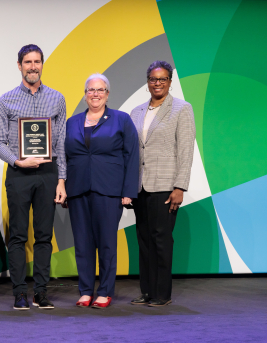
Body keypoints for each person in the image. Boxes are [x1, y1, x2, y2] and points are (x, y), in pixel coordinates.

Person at [0, 44, 67, 310]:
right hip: (19, 175)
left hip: (48, 173)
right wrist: (17, 160)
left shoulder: (57, 99)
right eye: (27, 62)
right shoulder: (6, 100)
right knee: (18, 236)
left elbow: (61, 143)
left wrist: (61, 179)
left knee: (45, 236)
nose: (32, 66)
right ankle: (20, 293)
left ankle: (42, 292)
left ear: (42, 65)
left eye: (37, 62)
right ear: (19, 65)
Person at [65, 74, 139, 309]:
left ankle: (105, 291)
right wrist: (63, 186)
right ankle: (85, 291)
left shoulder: (121, 120)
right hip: (77, 190)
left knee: (107, 243)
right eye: (90, 90)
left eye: (100, 90)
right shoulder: (71, 122)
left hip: (109, 191)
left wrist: (128, 191)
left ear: (107, 94)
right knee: (83, 244)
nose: (95, 94)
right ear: (85, 94)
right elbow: (65, 157)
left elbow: (132, 156)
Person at [130, 60, 196, 307]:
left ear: (170, 81)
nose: (157, 83)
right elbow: (133, 151)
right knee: (144, 240)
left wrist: (180, 186)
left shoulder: (182, 109)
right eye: (153, 79)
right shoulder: (136, 112)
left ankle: (162, 294)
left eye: (162, 79)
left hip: (166, 187)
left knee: (161, 239)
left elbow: (186, 150)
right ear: (147, 83)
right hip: (140, 187)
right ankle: (147, 291)